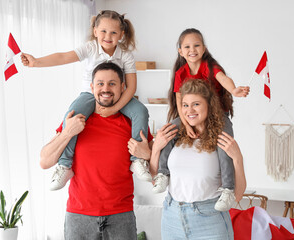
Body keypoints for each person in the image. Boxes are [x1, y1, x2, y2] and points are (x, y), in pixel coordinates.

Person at [22, 10, 151, 191]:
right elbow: (63, 56)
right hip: (90, 96)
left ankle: (137, 160)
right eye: (104, 31)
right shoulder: (90, 48)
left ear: (121, 34)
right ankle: (65, 165)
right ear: (95, 30)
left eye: (114, 33)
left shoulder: (126, 55)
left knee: (141, 111)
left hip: (119, 97)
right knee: (72, 114)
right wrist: (36, 62)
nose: (108, 36)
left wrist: (114, 109)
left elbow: (130, 88)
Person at [40, 62, 153, 240]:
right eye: (100, 83)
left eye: (112, 84)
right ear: (92, 87)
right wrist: (67, 133)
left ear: (123, 87)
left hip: (121, 216)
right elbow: (45, 161)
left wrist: (147, 155)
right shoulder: (76, 119)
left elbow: (155, 171)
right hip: (79, 217)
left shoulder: (132, 122)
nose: (105, 89)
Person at [153, 28, 249, 211]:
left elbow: (223, 79)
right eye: (187, 46)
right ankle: (163, 174)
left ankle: (228, 189)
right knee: (168, 131)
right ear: (180, 51)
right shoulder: (181, 73)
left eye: (197, 45)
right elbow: (180, 101)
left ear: (204, 48)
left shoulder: (209, 67)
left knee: (224, 145)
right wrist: (186, 123)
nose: (192, 49)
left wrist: (234, 90)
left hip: (218, 113)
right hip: (188, 114)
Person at [149, 79, 246, 240]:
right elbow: (155, 180)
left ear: (209, 105)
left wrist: (238, 158)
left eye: (196, 104)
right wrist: (156, 149)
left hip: (210, 221)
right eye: (185, 105)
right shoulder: (175, 137)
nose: (189, 110)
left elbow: (237, 195)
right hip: (172, 217)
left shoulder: (222, 141)